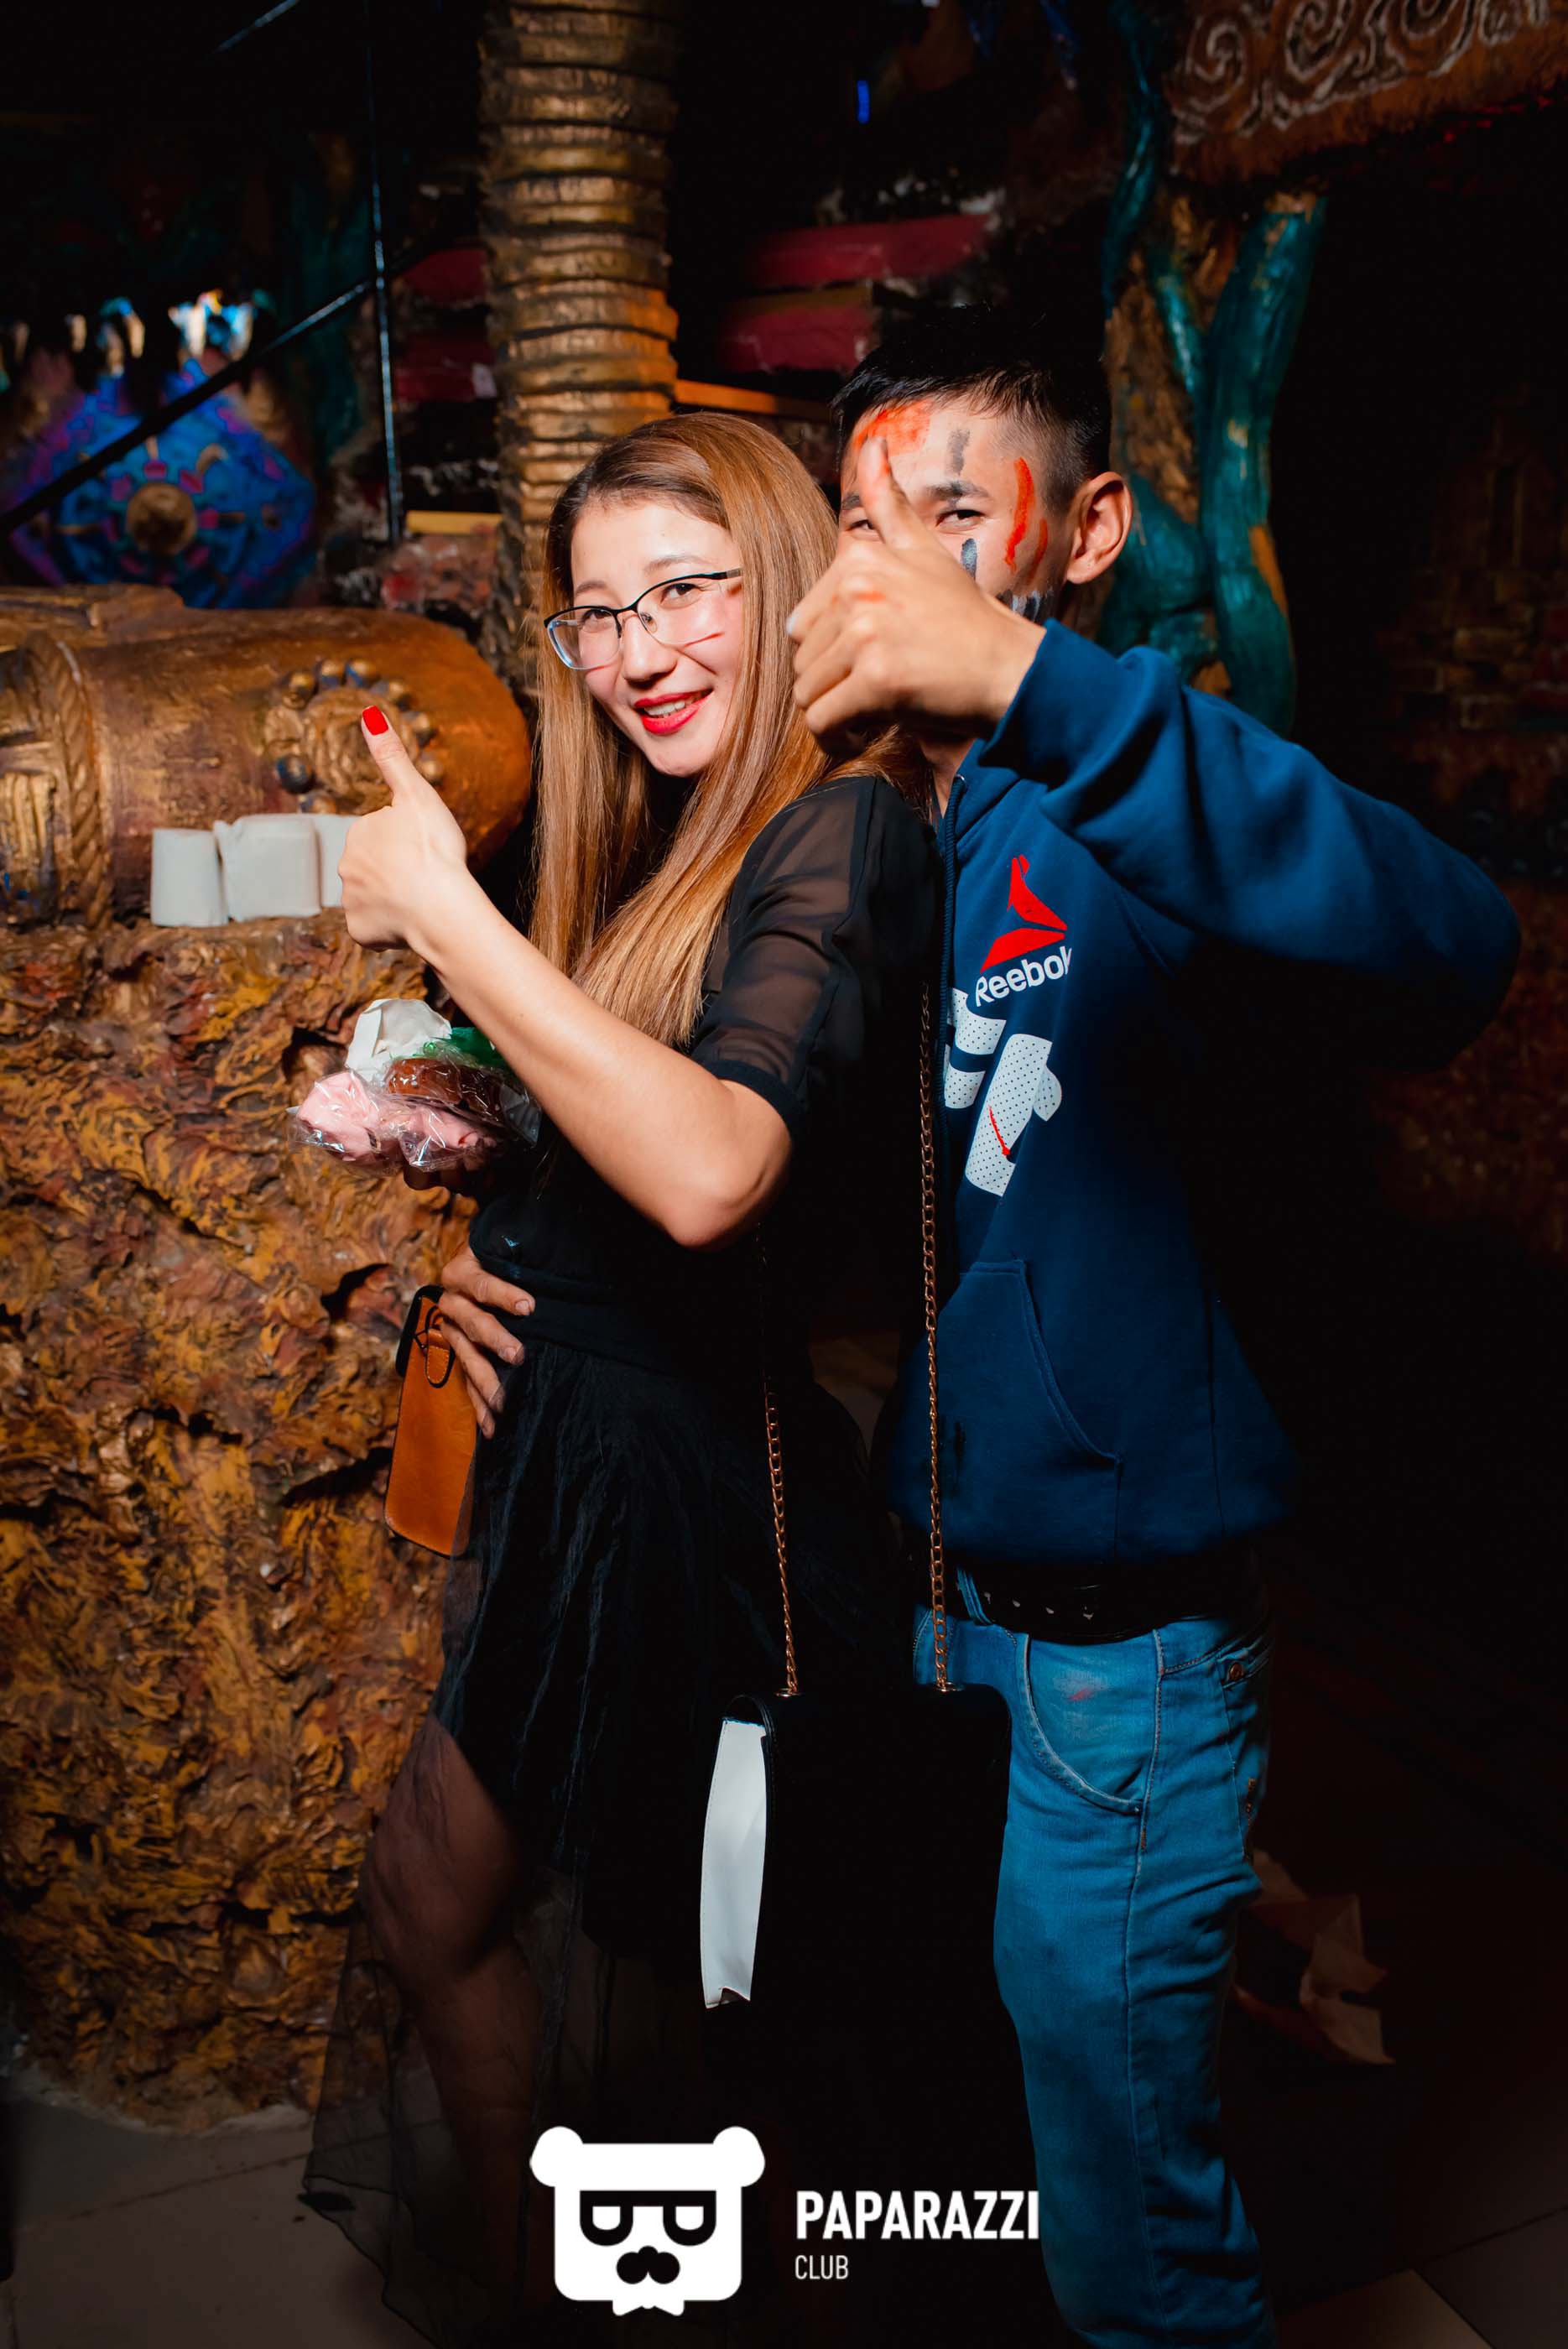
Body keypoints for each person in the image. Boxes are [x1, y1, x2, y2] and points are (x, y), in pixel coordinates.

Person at [779, 310, 1521, 2347]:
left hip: (1118, 1655)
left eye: (954, 514)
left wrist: (1035, 686)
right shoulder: (900, 831)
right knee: (991, 2142)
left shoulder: (1138, 789)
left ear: (1085, 530)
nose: (893, 568)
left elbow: (1452, 939)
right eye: (862, 527)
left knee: (1134, 2248)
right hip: (951, 1601)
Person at [304, 412, 935, 2346]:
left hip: (690, 1505)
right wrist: (486, 1231)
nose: (636, 650)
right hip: (579, 1461)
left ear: (776, 579)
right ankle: (553, 2296)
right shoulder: (672, 828)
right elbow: (611, 1129)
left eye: (681, 592)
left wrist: (450, 913)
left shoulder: (842, 822)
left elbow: (714, 1165)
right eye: (596, 614)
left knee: (725, 2027)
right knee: (445, 1905)